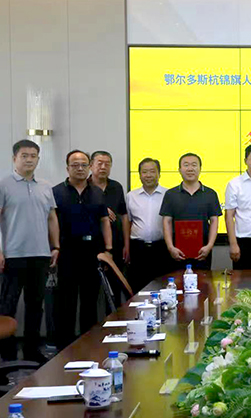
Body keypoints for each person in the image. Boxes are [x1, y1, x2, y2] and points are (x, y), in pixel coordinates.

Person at [0, 140, 59, 362]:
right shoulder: (2, 184)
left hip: (41, 255)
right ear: (14, 158)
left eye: (33, 156)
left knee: (35, 306)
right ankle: (7, 355)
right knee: (8, 306)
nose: (29, 159)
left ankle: (31, 351)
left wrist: (55, 246)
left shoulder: (45, 186)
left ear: (38, 159)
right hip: (12, 256)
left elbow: (52, 218)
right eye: (24, 155)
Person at [53, 150, 112, 350]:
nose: (80, 168)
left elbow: (104, 221)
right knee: (66, 301)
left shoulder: (97, 192)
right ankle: (64, 347)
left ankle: (89, 345)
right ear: (67, 167)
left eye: (83, 165)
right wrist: (54, 247)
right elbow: (51, 222)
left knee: (90, 300)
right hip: (67, 251)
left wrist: (108, 249)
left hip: (92, 250)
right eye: (75, 165)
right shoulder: (56, 192)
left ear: (89, 167)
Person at [160, 153, 222, 270]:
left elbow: (214, 221)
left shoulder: (210, 194)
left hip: (203, 251)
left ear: (200, 168)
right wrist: (170, 247)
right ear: (179, 169)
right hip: (177, 251)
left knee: (203, 280)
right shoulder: (170, 194)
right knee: (177, 280)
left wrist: (209, 246)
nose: (190, 169)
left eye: (194, 165)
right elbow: (166, 221)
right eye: (186, 165)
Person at [89, 151, 130, 304]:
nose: (103, 167)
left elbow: (124, 216)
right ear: (91, 165)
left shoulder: (116, 187)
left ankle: (115, 320)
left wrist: (127, 245)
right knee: (91, 292)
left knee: (115, 290)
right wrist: (101, 210)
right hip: (93, 246)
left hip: (116, 246)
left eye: (107, 164)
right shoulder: (84, 186)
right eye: (99, 163)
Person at [126, 158, 169, 292]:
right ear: (139, 175)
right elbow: (128, 222)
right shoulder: (131, 196)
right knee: (138, 288)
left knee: (162, 287)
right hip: (138, 249)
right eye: (144, 172)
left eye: (152, 171)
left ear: (159, 174)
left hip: (162, 248)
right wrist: (127, 247)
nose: (148, 175)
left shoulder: (168, 195)